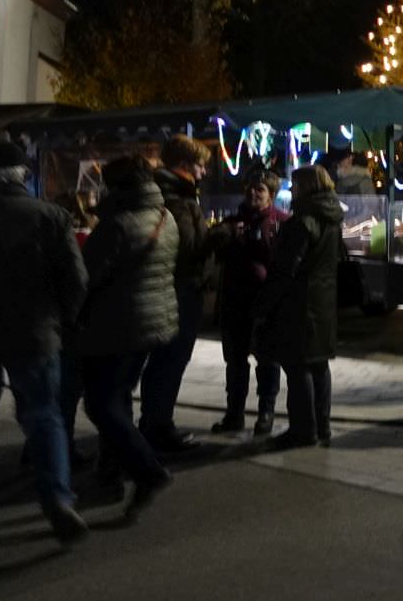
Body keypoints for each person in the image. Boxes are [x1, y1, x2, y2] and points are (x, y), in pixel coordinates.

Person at [0, 140, 91, 558]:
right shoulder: (51, 216)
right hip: (37, 334)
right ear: (21, 175)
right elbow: (75, 281)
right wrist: (64, 320)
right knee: (45, 418)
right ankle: (57, 499)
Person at [77, 156, 180, 520]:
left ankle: (147, 471)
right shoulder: (165, 217)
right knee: (118, 397)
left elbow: (84, 279)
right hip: (154, 322)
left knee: (101, 404)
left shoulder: (117, 224)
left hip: (116, 325)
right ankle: (111, 471)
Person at [259, 165, 344, 450]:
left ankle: (303, 430)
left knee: (298, 367)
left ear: (306, 187)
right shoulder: (331, 219)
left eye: (295, 185)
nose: (291, 190)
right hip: (324, 302)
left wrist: (266, 304)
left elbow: (285, 269)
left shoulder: (302, 222)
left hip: (300, 303)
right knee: (319, 364)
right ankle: (323, 427)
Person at [139, 134, 212, 455]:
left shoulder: (165, 192)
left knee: (162, 362)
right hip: (180, 291)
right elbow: (187, 249)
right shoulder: (178, 199)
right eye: (199, 165)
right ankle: (157, 427)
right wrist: (221, 236)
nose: (203, 172)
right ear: (183, 165)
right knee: (170, 360)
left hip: (168, 288)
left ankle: (152, 423)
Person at [210, 168, 287, 436]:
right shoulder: (232, 222)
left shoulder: (281, 223)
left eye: (260, 189)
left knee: (267, 360)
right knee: (235, 362)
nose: (253, 193)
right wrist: (225, 235)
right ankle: (234, 414)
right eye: (250, 188)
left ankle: (266, 413)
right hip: (234, 301)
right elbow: (215, 252)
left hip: (265, 304)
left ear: (272, 195)